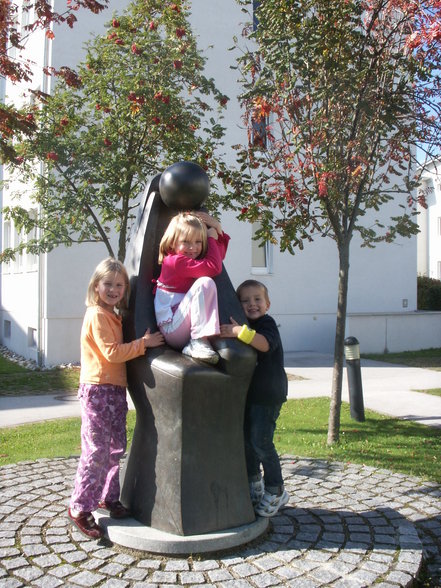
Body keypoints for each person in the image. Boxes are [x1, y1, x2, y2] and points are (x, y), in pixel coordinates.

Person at [68, 257, 164, 539]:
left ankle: (107, 497)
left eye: (119, 285)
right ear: (95, 286)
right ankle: (79, 507)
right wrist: (143, 344)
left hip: (115, 390)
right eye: (107, 284)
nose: (113, 289)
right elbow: (111, 352)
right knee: (96, 450)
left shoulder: (113, 315)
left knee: (115, 448)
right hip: (97, 390)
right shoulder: (97, 315)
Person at [220, 279, 289, 517]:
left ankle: (276, 489)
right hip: (251, 395)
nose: (252, 304)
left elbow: (265, 344)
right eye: (245, 300)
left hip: (268, 395)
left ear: (267, 304)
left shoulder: (266, 324)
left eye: (257, 299)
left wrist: (240, 332)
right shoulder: (247, 324)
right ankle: (254, 485)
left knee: (261, 442)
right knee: (247, 442)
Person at [154, 211, 230, 364]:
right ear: (172, 242)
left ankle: (198, 340)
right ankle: (197, 341)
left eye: (198, 242)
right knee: (205, 283)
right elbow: (214, 267)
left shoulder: (188, 260)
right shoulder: (174, 262)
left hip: (182, 324)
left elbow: (218, 257)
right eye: (186, 241)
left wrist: (217, 229)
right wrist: (210, 237)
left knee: (206, 282)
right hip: (172, 329)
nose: (193, 248)